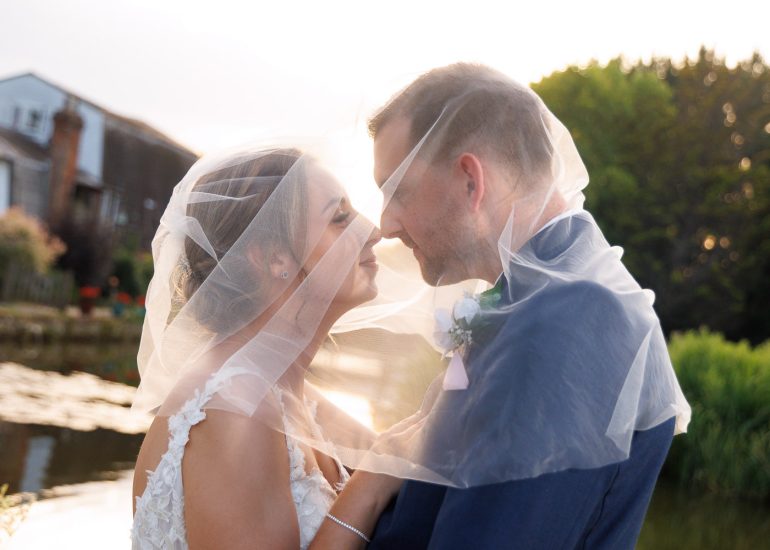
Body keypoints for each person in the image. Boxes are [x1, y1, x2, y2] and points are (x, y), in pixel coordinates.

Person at [313, 63, 691, 549]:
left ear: (471, 180)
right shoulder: (541, 299)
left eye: (398, 192)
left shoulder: (570, 319)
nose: (386, 224)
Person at [130, 146, 398, 549]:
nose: (372, 231)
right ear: (274, 259)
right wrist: (368, 492)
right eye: (340, 218)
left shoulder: (291, 395)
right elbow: (381, 473)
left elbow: (404, 457)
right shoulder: (235, 409)